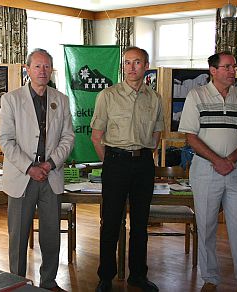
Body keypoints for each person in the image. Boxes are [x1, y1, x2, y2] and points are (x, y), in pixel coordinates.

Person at [178, 52, 237, 292]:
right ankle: (210, 279)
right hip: (205, 170)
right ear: (213, 71)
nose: (233, 70)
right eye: (227, 67)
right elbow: (190, 137)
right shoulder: (196, 95)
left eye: (234, 66)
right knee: (205, 227)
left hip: (236, 171)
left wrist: (231, 160)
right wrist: (217, 160)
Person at [0, 48, 74, 291]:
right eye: (37, 66)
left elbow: (68, 138)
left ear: (52, 70)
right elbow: (6, 141)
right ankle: (16, 282)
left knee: (51, 234)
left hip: (50, 176)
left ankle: (49, 281)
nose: (42, 71)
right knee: (18, 236)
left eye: (47, 66)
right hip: (23, 177)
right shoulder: (11, 99)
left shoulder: (60, 99)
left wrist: (50, 163)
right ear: (27, 70)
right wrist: (30, 168)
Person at [90, 46, 163, 292]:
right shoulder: (107, 95)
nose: (132, 67)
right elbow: (96, 135)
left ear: (146, 66)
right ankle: (106, 277)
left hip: (143, 164)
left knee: (140, 225)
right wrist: (111, 160)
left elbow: (157, 134)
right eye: (128, 62)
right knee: (110, 222)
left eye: (138, 62)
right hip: (116, 163)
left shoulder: (154, 98)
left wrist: (142, 157)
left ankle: (138, 276)